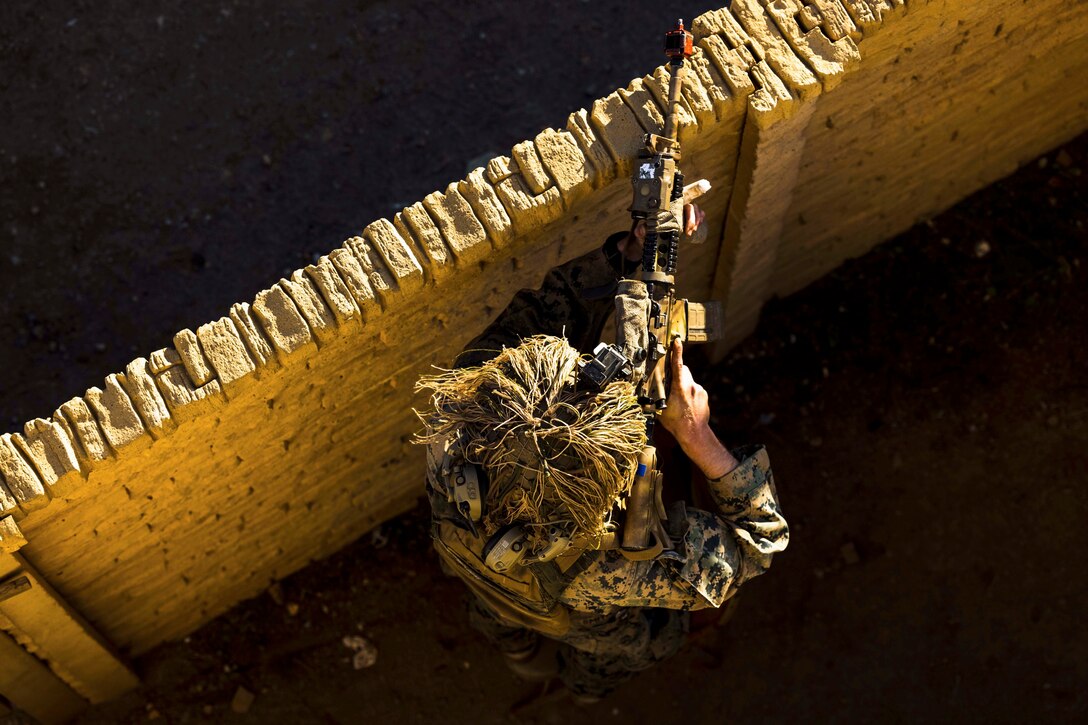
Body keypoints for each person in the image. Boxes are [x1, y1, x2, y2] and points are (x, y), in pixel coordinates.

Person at [416, 205, 788, 703]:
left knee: (497, 609)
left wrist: (626, 254)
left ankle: (520, 655)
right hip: (582, 616)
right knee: (636, 644)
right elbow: (756, 547)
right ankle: (585, 689)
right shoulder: (605, 566)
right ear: (595, 507)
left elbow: (552, 307)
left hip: (478, 566)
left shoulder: (474, 396)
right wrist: (697, 437)